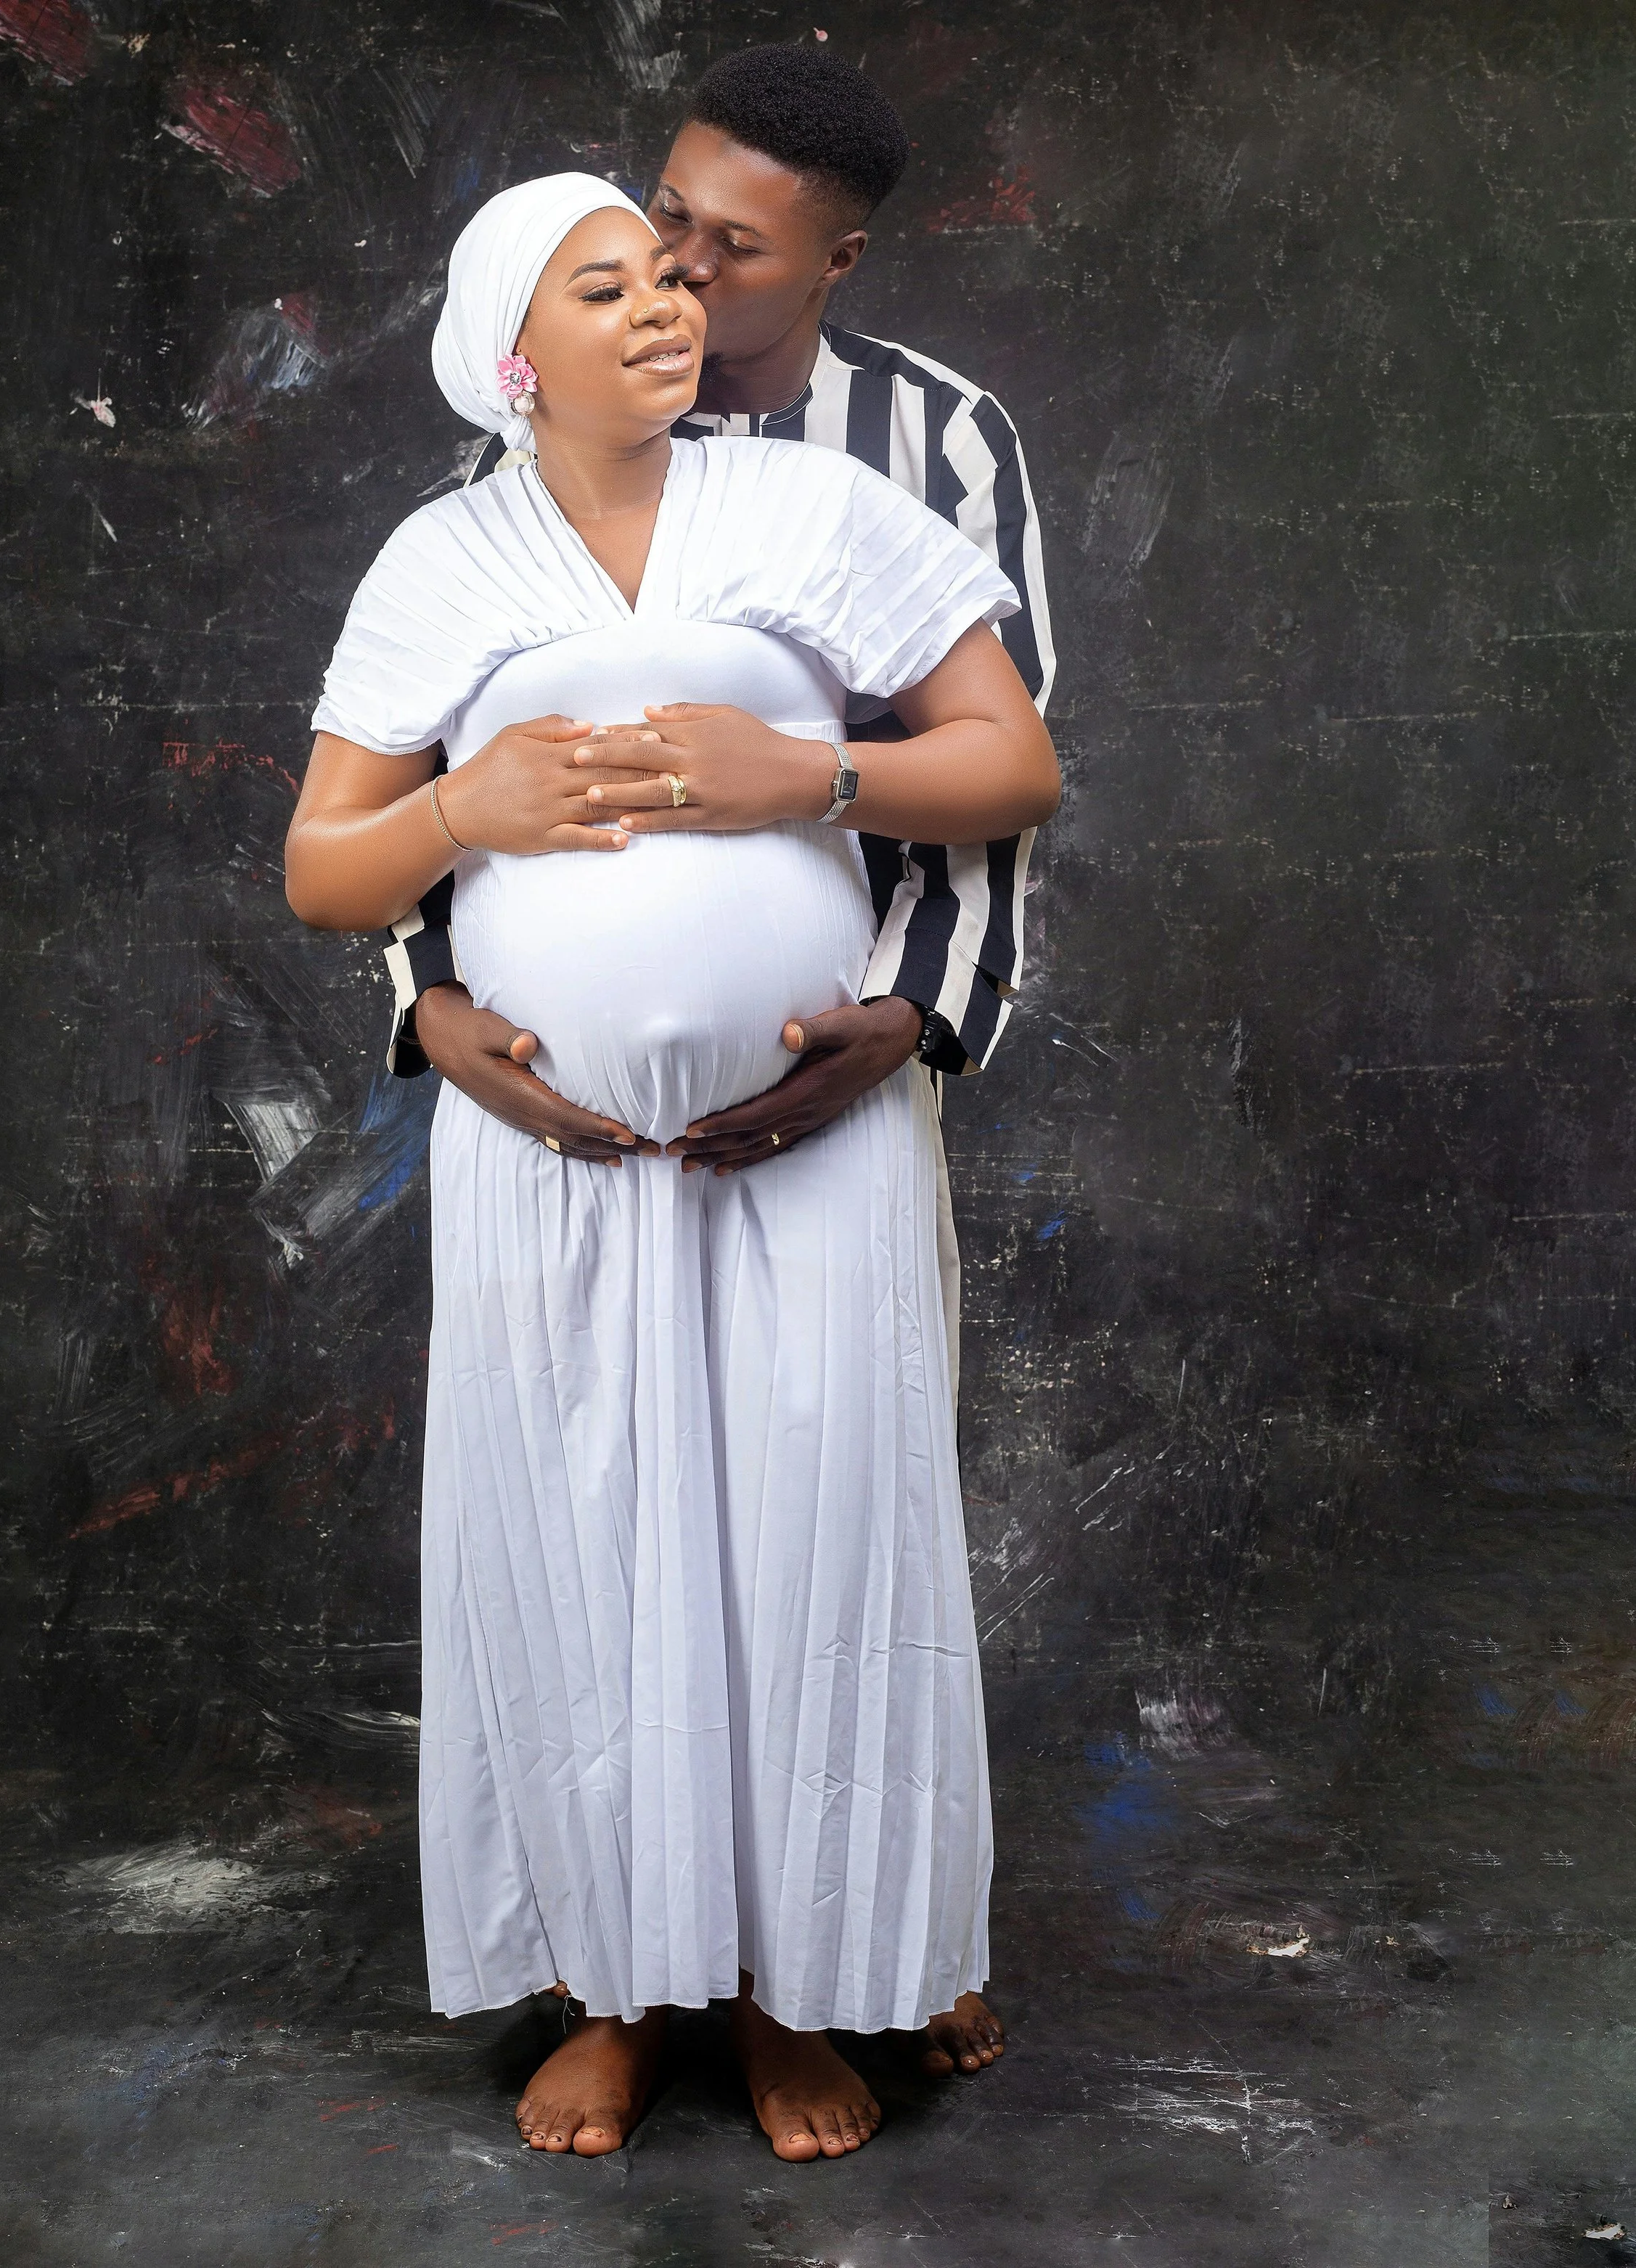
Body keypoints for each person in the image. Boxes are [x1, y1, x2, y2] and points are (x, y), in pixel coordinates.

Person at [285, 173, 1059, 2159]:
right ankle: (623, 1990)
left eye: (669, 278)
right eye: (602, 286)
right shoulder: (440, 560)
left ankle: (802, 1995)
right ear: (508, 356)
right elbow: (326, 871)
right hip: (550, 1157)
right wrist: (467, 800)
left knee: (810, 1540)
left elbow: (1010, 761)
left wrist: (792, 774)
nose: (660, 307)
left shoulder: (813, 513)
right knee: (575, 1537)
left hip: (805, 1149)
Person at [388, 47, 1055, 1282]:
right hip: (552, 1113)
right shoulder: (534, 449)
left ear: (835, 261)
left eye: (736, 247)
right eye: (669, 215)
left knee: (825, 1449)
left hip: (834, 1074)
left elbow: (1003, 768)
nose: (683, 268)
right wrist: (431, 997)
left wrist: (913, 1009)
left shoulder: (936, 438)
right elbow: (426, 757)